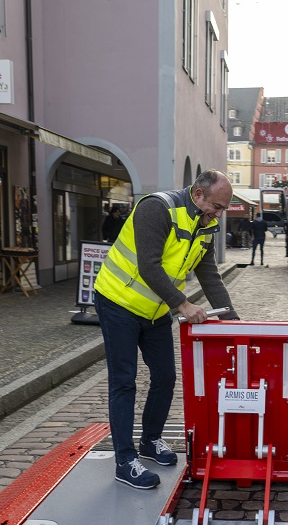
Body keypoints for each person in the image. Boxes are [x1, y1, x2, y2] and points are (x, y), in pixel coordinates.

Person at [92, 170, 240, 489]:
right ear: (198, 195)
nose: (218, 214)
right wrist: (183, 305)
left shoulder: (205, 225)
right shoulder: (156, 208)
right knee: (124, 381)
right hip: (118, 302)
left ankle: (150, 441)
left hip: (155, 309)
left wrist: (234, 322)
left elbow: (209, 275)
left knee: (165, 377)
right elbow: (149, 265)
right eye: (217, 206)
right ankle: (125, 461)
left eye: (223, 209)